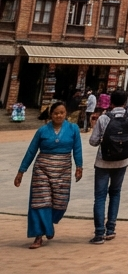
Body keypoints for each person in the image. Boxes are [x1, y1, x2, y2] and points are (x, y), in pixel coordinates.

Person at [15, 100, 83, 249]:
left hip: (63, 169)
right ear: (51, 114)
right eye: (56, 113)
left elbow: (77, 149)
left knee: (60, 202)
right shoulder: (42, 131)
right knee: (40, 201)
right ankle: (39, 236)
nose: (59, 115)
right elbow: (31, 151)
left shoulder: (73, 129)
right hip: (42, 169)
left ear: (66, 114)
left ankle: (48, 225)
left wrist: (79, 166)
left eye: (62, 113)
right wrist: (21, 171)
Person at [88, 88, 128, 244]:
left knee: (100, 196)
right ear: (125, 102)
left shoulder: (104, 118)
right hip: (122, 161)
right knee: (115, 193)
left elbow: (93, 141)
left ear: (111, 101)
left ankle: (99, 233)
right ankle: (110, 229)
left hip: (103, 161)